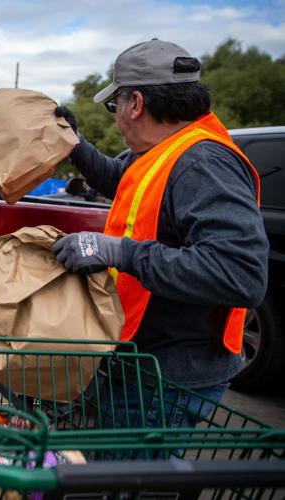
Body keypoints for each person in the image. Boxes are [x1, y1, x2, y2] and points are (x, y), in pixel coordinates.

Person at [52, 39, 268, 427]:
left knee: (129, 483)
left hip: (166, 378)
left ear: (135, 103)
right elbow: (122, 180)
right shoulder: (163, 150)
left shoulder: (203, 162)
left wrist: (120, 252)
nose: (116, 115)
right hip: (144, 359)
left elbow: (241, 274)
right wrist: (76, 145)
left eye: (114, 104)